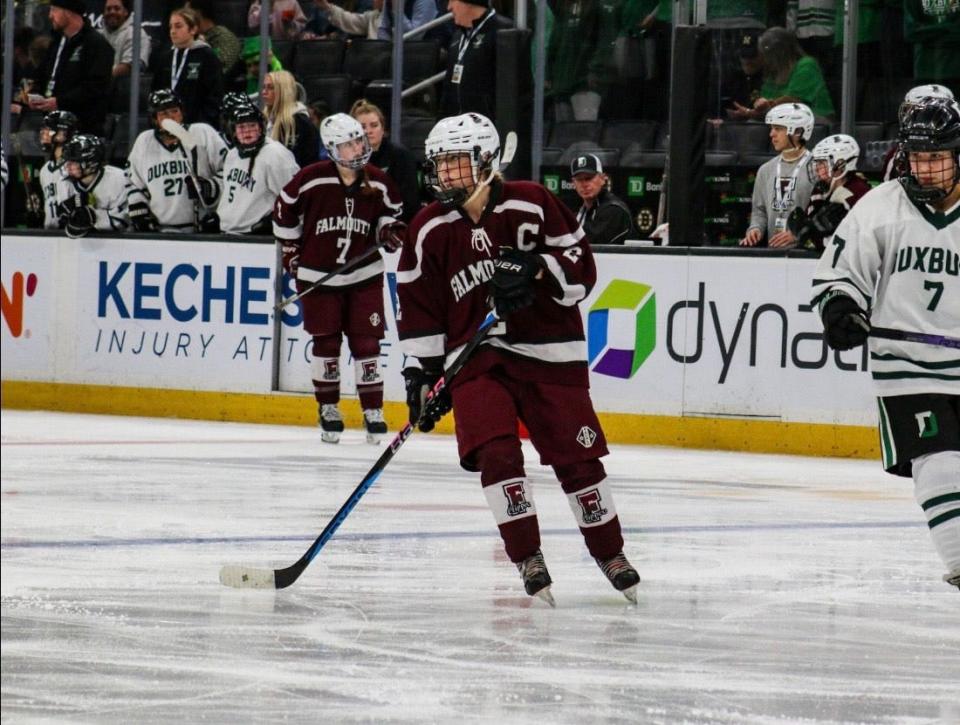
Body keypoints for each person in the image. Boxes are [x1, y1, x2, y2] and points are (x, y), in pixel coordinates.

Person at [395, 112, 641, 605]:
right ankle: (527, 555)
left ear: (485, 162)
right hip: (476, 359)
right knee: (497, 453)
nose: (445, 175)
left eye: (456, 164)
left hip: (551, 354)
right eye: (439, 166)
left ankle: (609, 553)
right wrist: (420, 375)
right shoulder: (427, 229)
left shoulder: (532, 202)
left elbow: (581, 274)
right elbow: (419, 308)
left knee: (579, 458)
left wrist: (536, 270)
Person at [810, 96, 960, 593]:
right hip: (907, 368)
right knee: (938, 462)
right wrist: (840, 308)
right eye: (919, 158)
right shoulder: (880, 205)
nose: (928, 168)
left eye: (938, 156)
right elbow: (840, 274)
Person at [272, 113, 405, 444]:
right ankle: (328, 407)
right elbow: (282, 210)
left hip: (364, 275)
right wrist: (291, 250)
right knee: (326, 342)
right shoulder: (311, 179)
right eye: (348, 144)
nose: (358, 148)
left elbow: (394, 213)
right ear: (332, 149)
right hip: (320, 276)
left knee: (367, 343)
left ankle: (372, 409)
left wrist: (387, 231)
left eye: (359, 140)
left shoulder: (378, 181)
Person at [126, 89, 227, 233]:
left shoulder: (203, 133)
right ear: (154, 119)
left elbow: (230, 170)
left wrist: (210, 187)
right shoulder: (144, 141)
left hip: (202, 230)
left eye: (174, 111)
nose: (171, 118)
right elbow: (132, 182)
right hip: (160, 232)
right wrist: (139, 211)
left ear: (182, 113)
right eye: (164, 114)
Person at [27, 0, 114, 134]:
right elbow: (42, 74)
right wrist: (35, 93)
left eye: (54, 10)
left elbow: (96, 87)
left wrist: (60, 102)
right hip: (52, 126)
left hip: (83, 129)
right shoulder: (56, 43)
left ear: (67, 11)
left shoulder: (96, 45)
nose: (50, 15)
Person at [218, 100, 299, 235]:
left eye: (252, 126)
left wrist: (274, 220)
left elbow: (296, 199)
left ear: (261, 128)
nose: (247, 132)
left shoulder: (275, 155)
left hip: (257, 239)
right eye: (242, 127)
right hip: (228, 234)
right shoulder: (232, 155)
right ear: (233, 131)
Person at [740, 102, 815, 248]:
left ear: (797, 131)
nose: (771, 134)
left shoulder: (817, 168)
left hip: (807, 256)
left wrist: (799, 233)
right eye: (772, 128)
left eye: (778, 129)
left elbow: (821, 215)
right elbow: (759, 211)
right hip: (773, 255)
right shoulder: (765, 170)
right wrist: (755, 229)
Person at [728, 26, 834, 123]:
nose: (765, 60)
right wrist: (749, 113)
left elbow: (793, 101)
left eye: (767, 55)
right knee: (752, 124)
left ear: (780, 53)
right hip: (781, 120)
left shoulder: (806, 65)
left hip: (814, 120)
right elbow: (766, 108)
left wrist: (762, 107)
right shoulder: (772, 72)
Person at [788, 133, 870, 252]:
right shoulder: (820, 188)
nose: (817, 168)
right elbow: (807, 232)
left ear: (840, 164)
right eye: (817, 163)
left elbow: (852, 241)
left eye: (822, 163)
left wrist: (812, 238)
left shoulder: (859, 192)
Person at [151, 7, 224, 128]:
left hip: (197, 127)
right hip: (166, 126)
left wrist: (201, 125)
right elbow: (155, 92)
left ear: (193, 29)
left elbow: (215, 96)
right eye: (171, 27)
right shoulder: (165, 58)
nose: (173, 31)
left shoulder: (206, 56)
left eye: (178, 26)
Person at [440, 0, 514, 119]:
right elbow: (448, 90)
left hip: (488, 130)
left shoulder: (503, 32)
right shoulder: (458, 36)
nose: (449, 7)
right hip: (457, 130)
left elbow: (512, 92)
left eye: (452, 1)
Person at [351, 99, 421, 222]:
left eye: (374, 125)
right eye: (362, 127)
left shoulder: (401, 156)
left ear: (383, 129)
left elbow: (411, 204)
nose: (368, 131)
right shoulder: (347, 160)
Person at [55, 134, 129, 238]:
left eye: (74, 162)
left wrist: (94, 216)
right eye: (67, 161)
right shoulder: (64, 183)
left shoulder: (119, 179)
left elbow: (123, 222)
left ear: (91, 163)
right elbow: (68, 228)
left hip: (119, 247)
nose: (68, 166)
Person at [883, 84, 955, 182]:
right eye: (911, 112)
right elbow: (890, 191)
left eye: (928, 112)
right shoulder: (897, 154)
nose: (917, 119)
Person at [570, 153, 636, 245]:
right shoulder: (580, 209)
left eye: (589, 178)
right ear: (573, 183)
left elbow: (590, 244)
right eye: (579, 180)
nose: (584, 184)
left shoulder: (614, 210)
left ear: (603, 179)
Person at [262, 70, 320, 168]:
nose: (264, 92)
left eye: (270, 88)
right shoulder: (264, 121)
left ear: (283, 91)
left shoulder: (301, 124)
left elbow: (309, 164)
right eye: (264, 87)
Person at [38, 110, 79, 230]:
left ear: (63, 133)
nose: (43, 132)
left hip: (75, 234)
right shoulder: (45, 170)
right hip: (51, 235)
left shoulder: (77, 167)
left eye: (49, 129)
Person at [186, 0, 243, 83]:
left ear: (197, 14)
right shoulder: (190, 41)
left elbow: (219, 72)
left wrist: (202, 51)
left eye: (187, 16)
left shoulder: (224, 38)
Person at [99, 0, 151, 78]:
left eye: (117, 8)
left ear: (126, 12)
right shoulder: (98, 35)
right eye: (108, 9)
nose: (112, 12)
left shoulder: (136, 34)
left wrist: (99, 77)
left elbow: (129, 67)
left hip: (126, 88)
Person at [313, 0, 382, 39]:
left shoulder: (365, 3)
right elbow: (350, 20)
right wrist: (328, 8)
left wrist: (329, 37)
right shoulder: (373, 17)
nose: (374, 0)